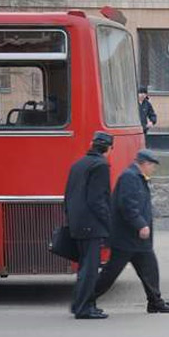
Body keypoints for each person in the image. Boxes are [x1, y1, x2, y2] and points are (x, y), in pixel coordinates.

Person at [94, 149, 169, 314]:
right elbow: (127, 205)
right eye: (152, 165)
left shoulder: (137, 177)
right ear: (144, 164)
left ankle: (155, 302)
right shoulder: (129, 177)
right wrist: (140, 224)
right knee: (110, 273)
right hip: (127, 238)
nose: (153, 169)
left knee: (150, 269)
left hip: (138, 240)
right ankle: (85, 299)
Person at [64, 131, 113, 319]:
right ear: (108, 149)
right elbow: (97, 200)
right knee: (90, 269)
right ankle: (84, 308)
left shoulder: (78, 164)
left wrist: (70, 219)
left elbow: (67, 194)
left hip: (78, 223)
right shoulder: (100, 165)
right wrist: (108, 224)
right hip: (91, 225)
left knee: (84, 267)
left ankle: (82, 304)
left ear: (93, 144)